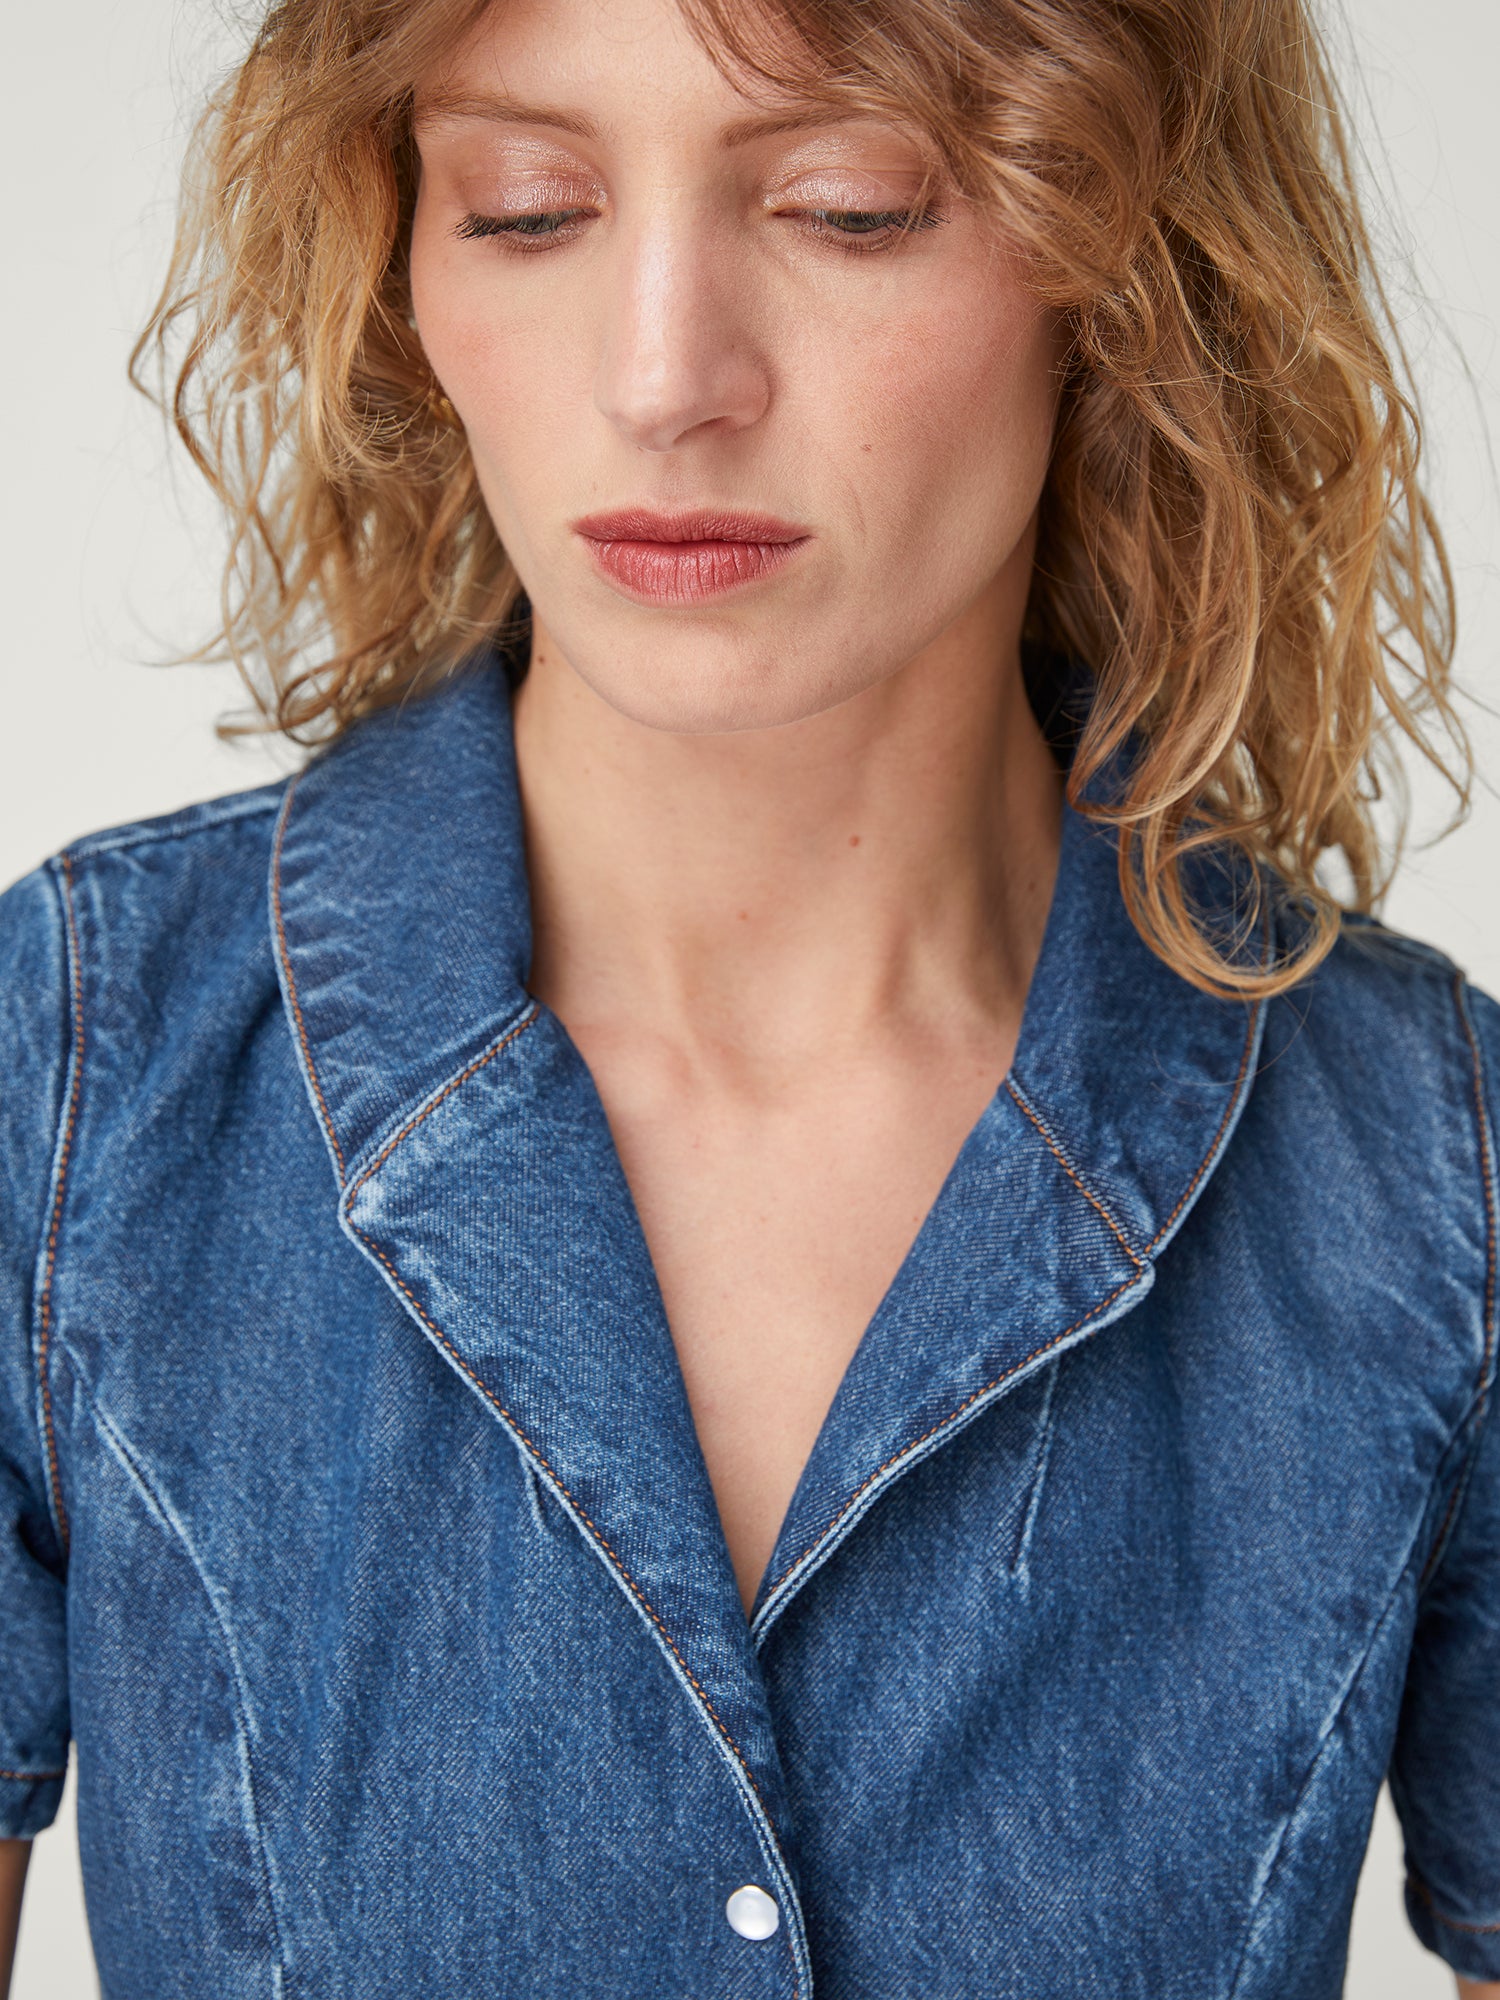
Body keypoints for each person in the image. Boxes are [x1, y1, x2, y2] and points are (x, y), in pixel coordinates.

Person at [1, 0, 1497, 1992]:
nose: (662, 379)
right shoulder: (74, 1081)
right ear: (403, 266)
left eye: (846, 206)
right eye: (526, 210)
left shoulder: (1431, 1167)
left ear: (1128, 262)